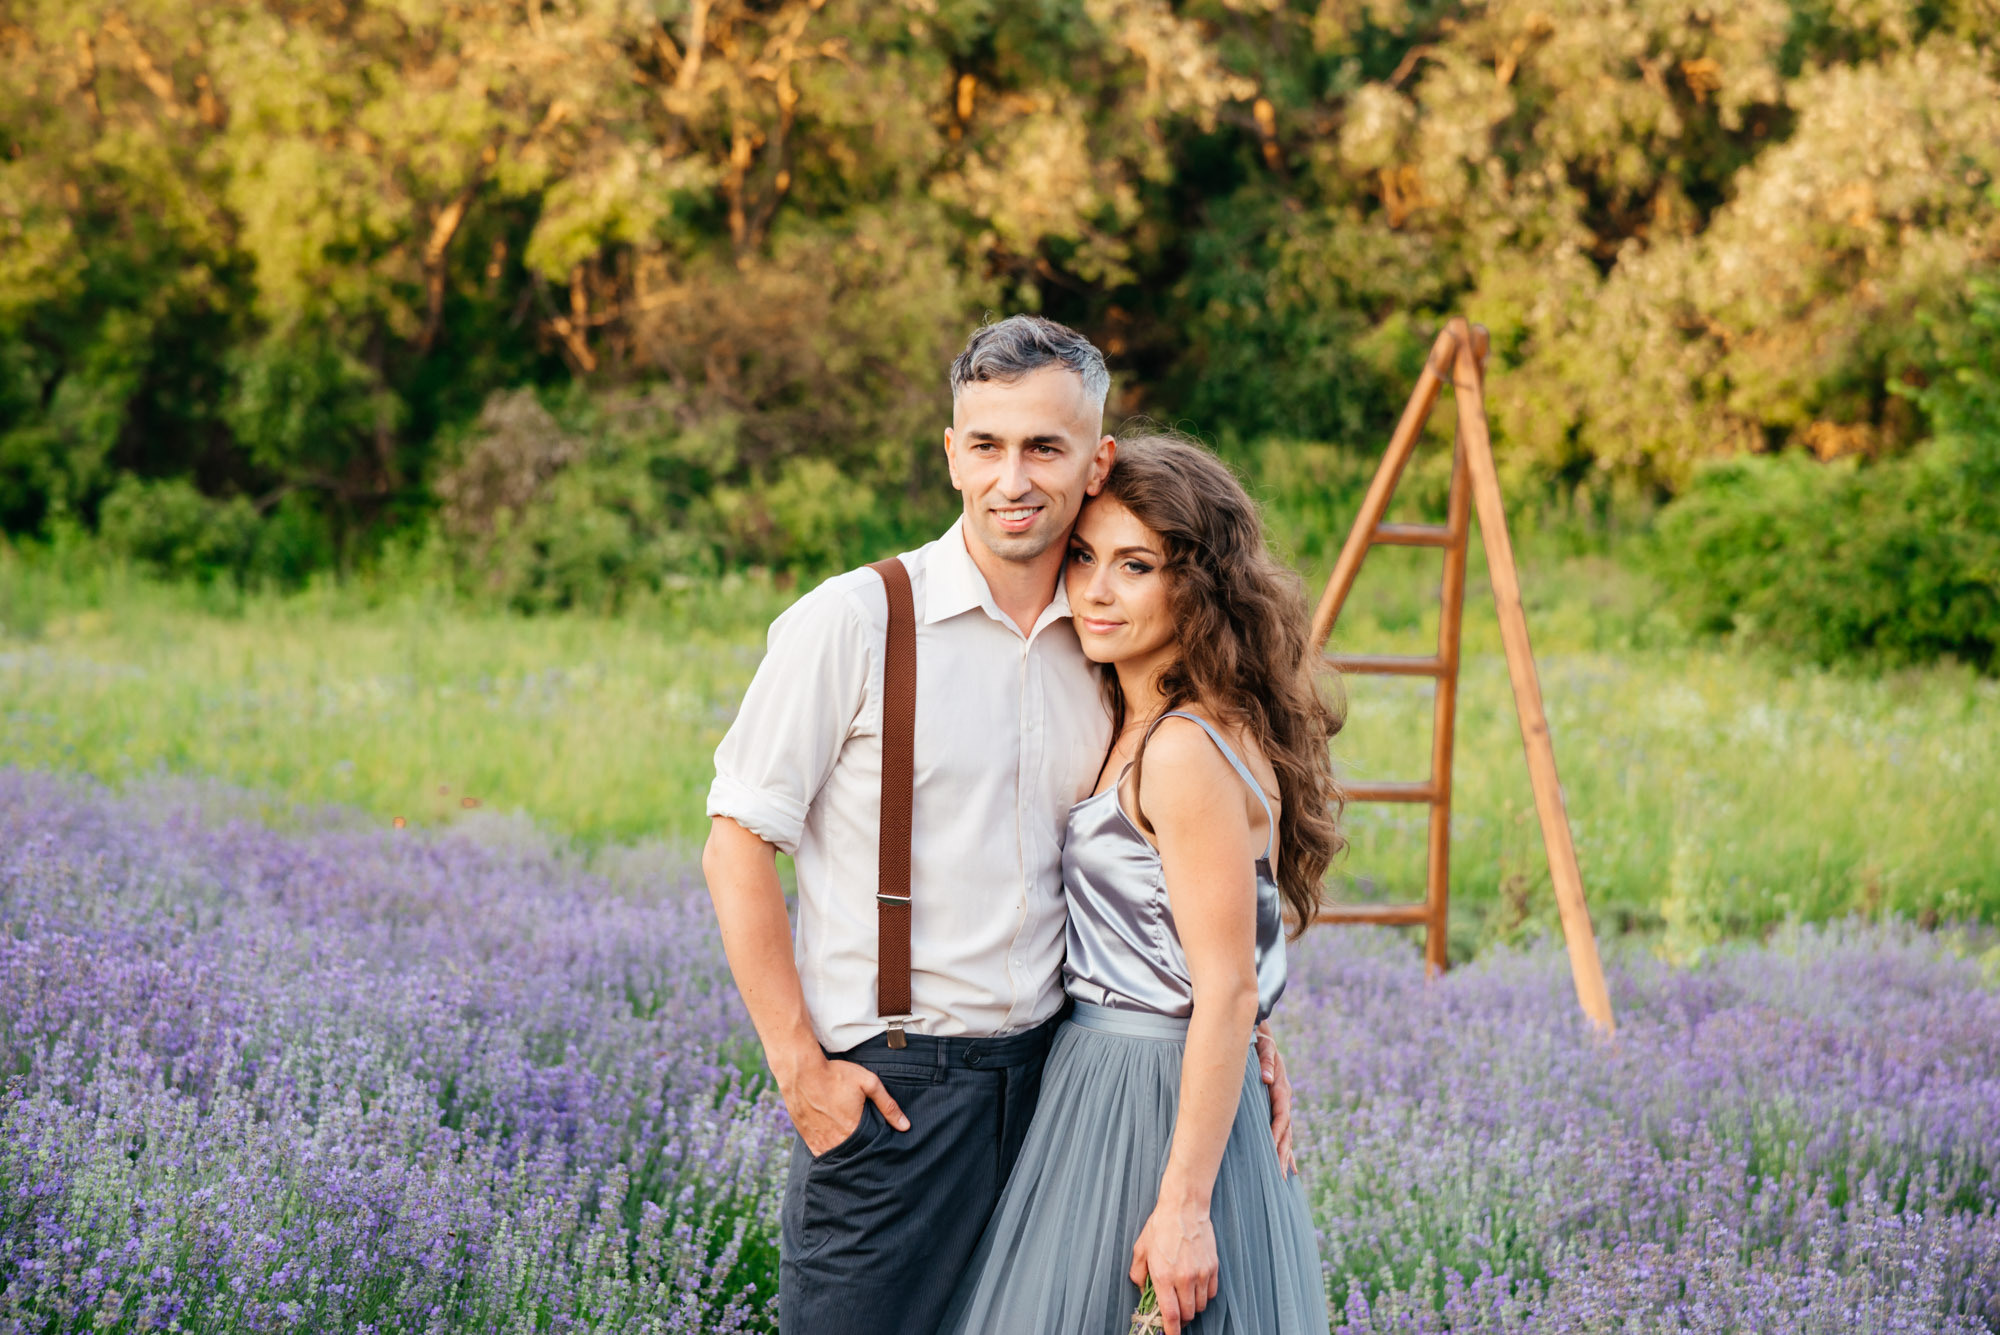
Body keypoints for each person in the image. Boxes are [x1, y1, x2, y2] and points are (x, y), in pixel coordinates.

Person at [701, 317, 1296, 1335]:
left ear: (1094, 459)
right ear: (950, 455)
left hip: (1062, 1088)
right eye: (985, 446)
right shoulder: (853, 622)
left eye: (1043, 447)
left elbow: (1165, 877)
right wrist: (800, 1071)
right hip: (896, 1094)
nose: (1011, 478)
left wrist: (1240, 1021)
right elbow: (734, 843)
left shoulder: (1104, 645)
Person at [939, 433, 1344, 1335]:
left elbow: (1227, 984)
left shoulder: (1183, 749)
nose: (1096, 588)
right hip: (1106, 1077)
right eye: (1083, 558)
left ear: (1194, 588)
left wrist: (1186, 1204)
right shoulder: (1149, 720)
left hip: (1148, 1091)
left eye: (1136, 564)